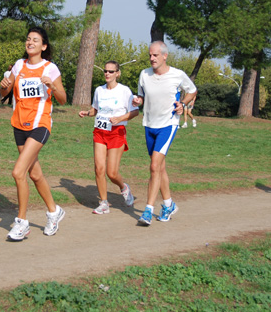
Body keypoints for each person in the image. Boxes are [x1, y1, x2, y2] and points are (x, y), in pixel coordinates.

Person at [0, 27, 67, 241]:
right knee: (34, 174)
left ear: (43, 46)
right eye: (28, 39)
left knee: (18, 172)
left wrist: (52, 87)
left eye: (35, 40)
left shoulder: (50, 68)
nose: (30, 42)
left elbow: (64, 99)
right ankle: (54, 212)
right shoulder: (19, 65)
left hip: (40, 124)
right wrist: (3, 87)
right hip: (19, 124)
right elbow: (4, 93)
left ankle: (22, 223)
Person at [132, 41, 197, 224]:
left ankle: (148, 210)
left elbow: (192, 91)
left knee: (154, 166)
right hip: (149, 124)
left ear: (165, 56)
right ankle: (169, 204)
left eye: (155, 55)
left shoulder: (177, 75)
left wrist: (182, 104)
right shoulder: (144, 74)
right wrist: (138, 101)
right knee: (159, 167)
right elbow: (142, 97)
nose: (152, 58)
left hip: (168, 125)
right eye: (150, 55)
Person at [78, 61, 138, 214]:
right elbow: (96, 110)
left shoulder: (124, 91)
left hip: (116, 132)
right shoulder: (99, 90)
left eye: (111, 71)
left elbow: (135, 111)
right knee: (99, 168)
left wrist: (120, 118)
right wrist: (87, 113)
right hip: (99, 131)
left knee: (111, 173)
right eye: (105, 71)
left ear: (117, 73)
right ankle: (103, 203)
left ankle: (124, 188)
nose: (107, 74)